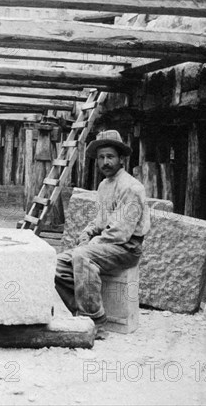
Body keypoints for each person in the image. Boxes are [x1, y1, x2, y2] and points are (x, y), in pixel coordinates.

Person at [54, 130, 150, 330]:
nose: (105, 162)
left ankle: (95, 323)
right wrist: (87, 233)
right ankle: (83, 313)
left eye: (110, 157)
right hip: (108, 245)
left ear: (121, 159)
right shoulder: (104, 185)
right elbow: (100, 220)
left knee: (83, 255)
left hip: (126, 248)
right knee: (57, 264)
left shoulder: (132, 188)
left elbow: (119, 233)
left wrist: (91, 244)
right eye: (101, 158)